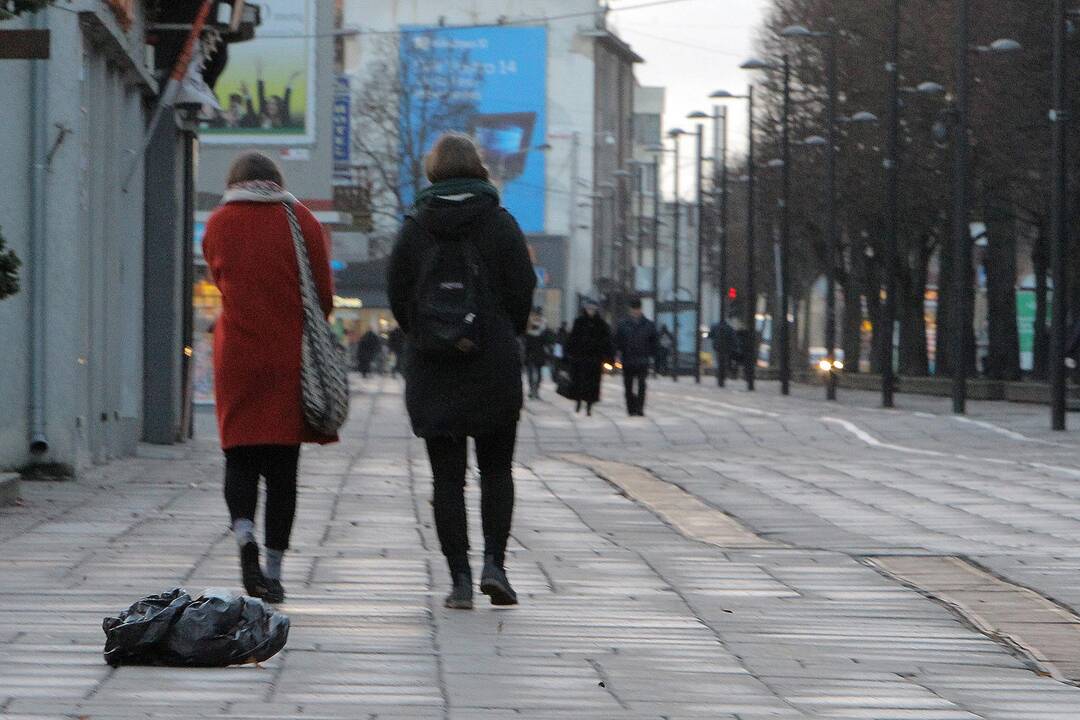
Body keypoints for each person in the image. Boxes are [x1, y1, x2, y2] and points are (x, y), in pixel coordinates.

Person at [388, 133, 535, 610]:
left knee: (446, 479)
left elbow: (397, 293)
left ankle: (459, 579)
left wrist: (425, 335)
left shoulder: (415, 227)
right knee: (496, 471)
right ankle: (496, 563)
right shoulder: (500, 224)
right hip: (492, 365)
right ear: (479, 169)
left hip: (435, 368)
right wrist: (499, 330)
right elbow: (522, 291)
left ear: (433, 171)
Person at [202, 151, 338, 605]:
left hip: (236, 354)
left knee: (239, 455)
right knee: (283, 469)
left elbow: (219, 278)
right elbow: (322, 295)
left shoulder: (219, 222)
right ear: (276, 180)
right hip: (288, 357)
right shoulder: (303, 220)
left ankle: (245, 542)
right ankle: (275, 572)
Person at [567, 299, 613, 416]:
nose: (590, 311)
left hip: (594, 359)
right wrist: (569, 354)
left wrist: (608, 358)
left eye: (592, 309)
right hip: (580, 358)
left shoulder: (601, 324)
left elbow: (607, 342)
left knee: (592, 385)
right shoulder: (579, 322)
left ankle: (589, 406)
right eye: (588, 309)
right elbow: (572, 339)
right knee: (579, 382)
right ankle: (578, 401)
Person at [615, 298, 659, 416]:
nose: (635, 311)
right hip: (628, 359)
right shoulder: (623, 325)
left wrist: (653, 356)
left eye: (637, 309)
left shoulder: (648, 325)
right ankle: (630, 408)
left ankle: (639, 408)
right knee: (628, 386)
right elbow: (617, 341)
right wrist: (617, 355)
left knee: (641, 385)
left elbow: (654, 342)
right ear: (630, 310)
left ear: (641, 309)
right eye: (634, 309)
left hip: (642, 360)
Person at [523, 308, 554, 400]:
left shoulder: (543, 327)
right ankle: (532, 391)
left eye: (538, 315)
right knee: (531, 374)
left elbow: (549, 340)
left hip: (539, 354)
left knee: (537, 375)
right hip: (530, 353)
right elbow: (524, 340)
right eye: (535, 315)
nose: (537, 317)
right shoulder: (528, 326)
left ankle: (535, 391)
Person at [709, 317, 739, 385]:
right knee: (725, 360)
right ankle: (723, 374)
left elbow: (710, 335)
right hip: (726, 348)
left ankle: (720, 373)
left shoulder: (715, 327)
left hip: (717, 347)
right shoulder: (729, 328)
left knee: (719, 360)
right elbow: (733, 338)